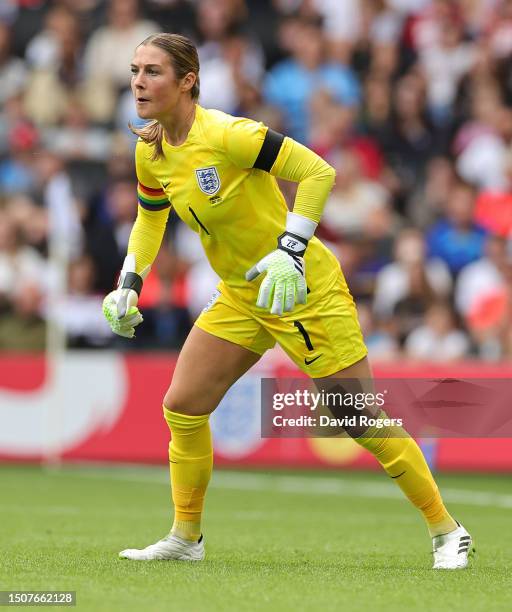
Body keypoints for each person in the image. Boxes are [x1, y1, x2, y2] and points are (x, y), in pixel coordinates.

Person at [102, 33, 473, 569]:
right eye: (135, 69)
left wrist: (292, 250)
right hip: (242, 294)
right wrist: (128, 282)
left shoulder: (229, 134)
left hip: (302, 290)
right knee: (182, 405)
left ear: (188, 81)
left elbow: (318, 171)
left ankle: (448, 531)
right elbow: (148, 218)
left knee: (356, 416)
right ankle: (186, 539)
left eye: (153, 71)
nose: (138, 81)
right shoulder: (151, 148)